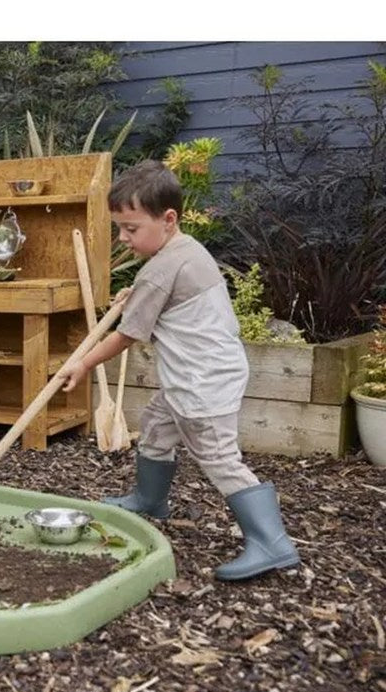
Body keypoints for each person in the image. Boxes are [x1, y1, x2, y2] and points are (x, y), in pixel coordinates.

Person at [57, 160, 300, 581]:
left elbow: (126, 336)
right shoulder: (185, 252)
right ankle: (150, 500)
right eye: (120, 228)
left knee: (220, 458)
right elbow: (166, 297)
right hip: (202, 374)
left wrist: (82, 362)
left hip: (201, 383)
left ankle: (272, 544)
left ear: (168, 219)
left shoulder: (160, 271)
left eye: (131, 229)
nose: (124, 238)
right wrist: (137, 293)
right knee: (156, 423)